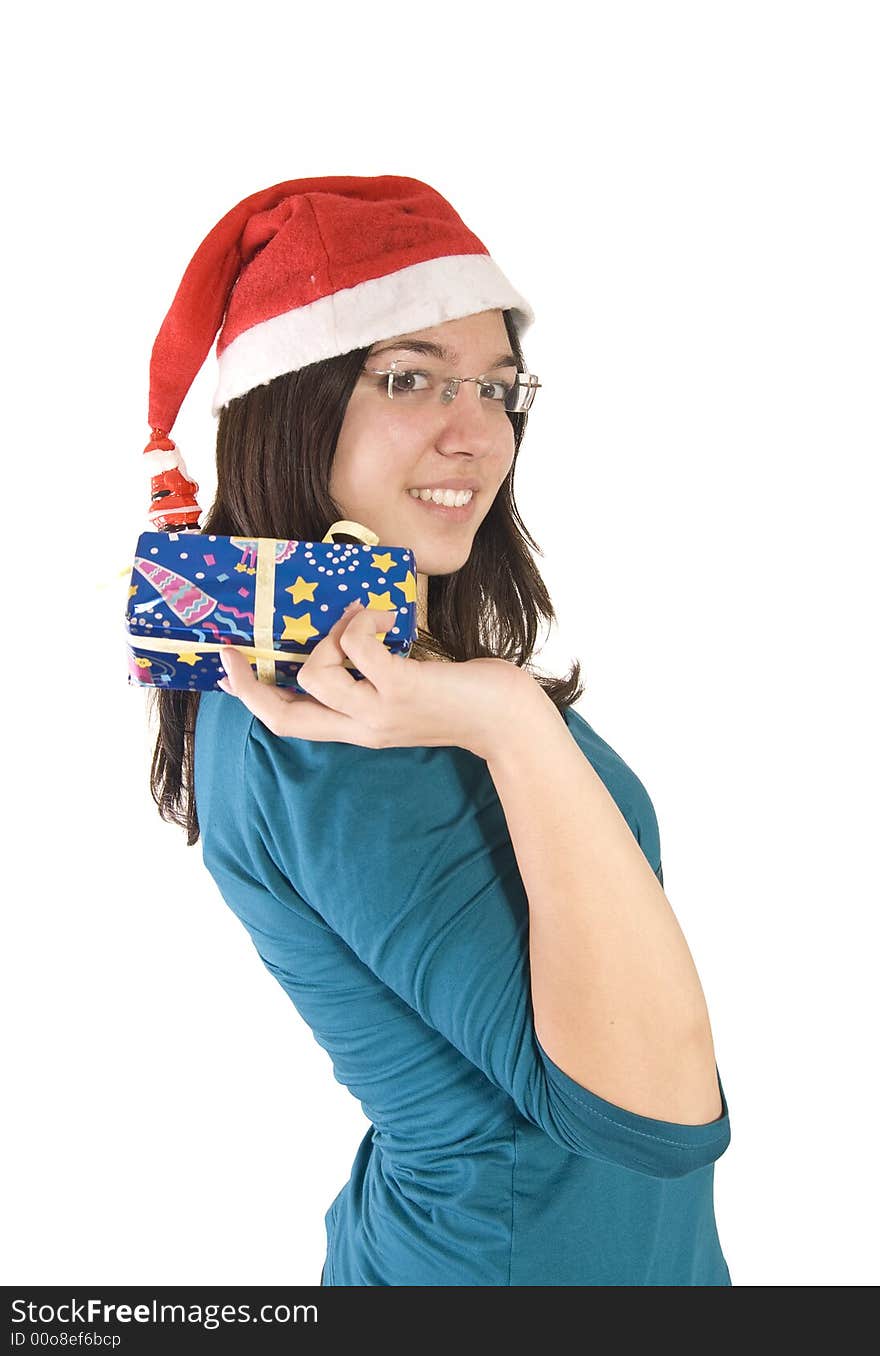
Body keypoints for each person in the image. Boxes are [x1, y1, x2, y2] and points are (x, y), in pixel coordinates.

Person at [143, 175, 732, 1286]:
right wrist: (510, 722)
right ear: (291, 402)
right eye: (407, 378)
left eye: (499, 388)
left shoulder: (398, 682)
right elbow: (650, 1117)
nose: (479, 434)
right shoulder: (328, 721)